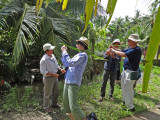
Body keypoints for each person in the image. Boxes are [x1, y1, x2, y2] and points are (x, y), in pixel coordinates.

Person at [110, 34, 142, 112]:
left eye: (129, 40)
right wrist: (114, 48)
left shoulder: (136, 50)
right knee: (124, 86)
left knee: (129, 88)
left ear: (133, 41)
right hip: (126, 71)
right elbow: (121, 51)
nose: (127, 42)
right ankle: (125, 101)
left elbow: (122, 54)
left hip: (132, 72)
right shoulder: (131, 48)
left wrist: (113, 51)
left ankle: (131, 107)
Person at [61, 37, 89, 120]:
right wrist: (63, 54)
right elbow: (67, 63)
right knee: (67, 106)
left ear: (82, 46)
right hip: (68, 81)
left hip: (73, 82)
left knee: (73, 107)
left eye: (78, 44)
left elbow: (70, 63)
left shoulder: (83, 55)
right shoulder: (77, 55)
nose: (76, 45)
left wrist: (65, 52)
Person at [40, 43, 65, 113]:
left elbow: (56, 64)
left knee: (56, 91)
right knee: (47, 93)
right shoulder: (43, 60)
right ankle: (46, 107)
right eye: (51, 49)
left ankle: (54, 104)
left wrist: (60, 69)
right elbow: (43, 72)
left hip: (54, 76)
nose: (53, 50)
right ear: (47, 51)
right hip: (48, 78)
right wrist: (53, 74)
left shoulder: (52, 56)